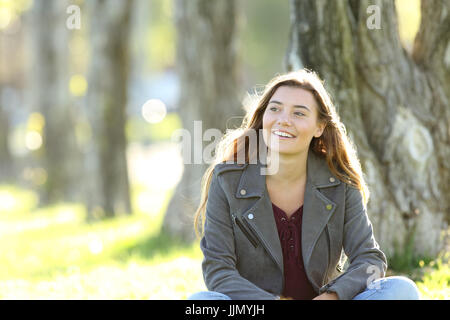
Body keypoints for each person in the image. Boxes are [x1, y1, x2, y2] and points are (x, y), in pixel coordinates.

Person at [188, 69, 420, 300]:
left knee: (401, 290)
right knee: (202, 301)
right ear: (263, 117)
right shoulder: (227, 180)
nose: (284, 120)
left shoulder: (340, 183)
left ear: (319, 127)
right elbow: (219, 272)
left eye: (299, 113)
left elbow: (369, 259)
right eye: (275, 109)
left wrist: (332, 296)